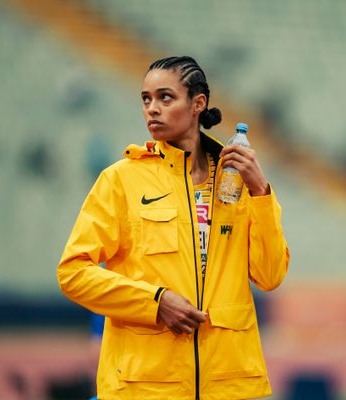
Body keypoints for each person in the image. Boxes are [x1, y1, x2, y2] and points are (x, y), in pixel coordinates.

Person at [57, 56, 290, 399]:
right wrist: (155, 301)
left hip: (227, 384)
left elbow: (269, 276)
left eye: (165, 97)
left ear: (198, 104)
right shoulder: (121, 180)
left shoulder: (235, 182)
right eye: (146, 99)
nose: (152, 108)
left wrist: (260, 193)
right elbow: (73, 273)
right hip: (146, 386)